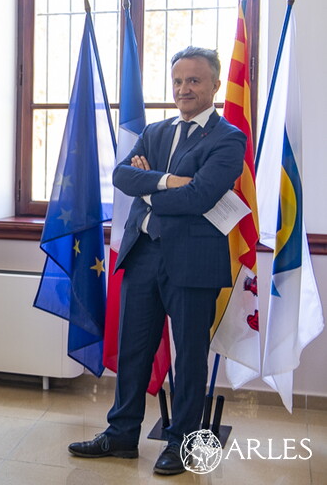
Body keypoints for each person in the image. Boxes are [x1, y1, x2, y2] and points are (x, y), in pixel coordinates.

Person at [67, 46, 246, 476]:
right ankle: (122, 434)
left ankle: (181, 441)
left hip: (193, 262)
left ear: (215, 85)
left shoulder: (228, 138)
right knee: (133, 350)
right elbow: (123, 176)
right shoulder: (156, 131)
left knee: (189, 356)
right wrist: (166, 181)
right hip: (143, 254)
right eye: (178, 81)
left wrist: (151, 188)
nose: (184, 89)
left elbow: (200, 196)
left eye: (194, 81)